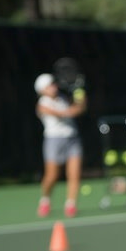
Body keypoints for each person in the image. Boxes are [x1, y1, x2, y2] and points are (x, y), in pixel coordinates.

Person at [34, 73, 87, 217]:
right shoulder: (42, 105)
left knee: (74, 174)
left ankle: (71, 205)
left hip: (73, 139)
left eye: (54, 84)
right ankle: (45, 200)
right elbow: (64, 113)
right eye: (49, 85)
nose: (54, 86)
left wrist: (81, 97)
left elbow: (80, 109)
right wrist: (74, 108)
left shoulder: (63, 98)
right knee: (52, 176)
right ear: (42, 90)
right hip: (54, 141)